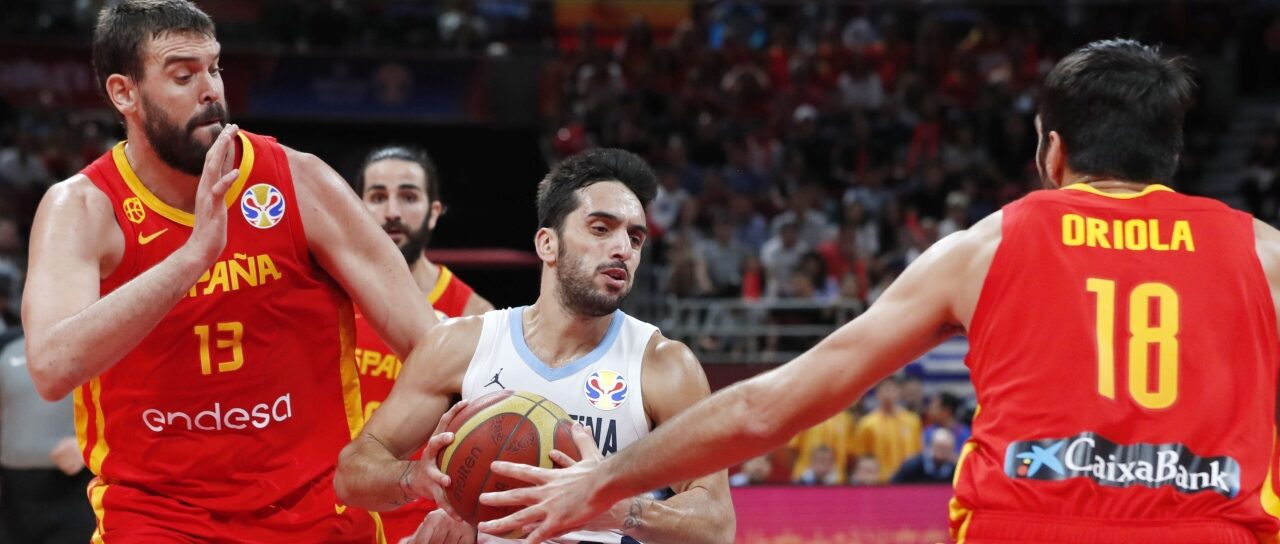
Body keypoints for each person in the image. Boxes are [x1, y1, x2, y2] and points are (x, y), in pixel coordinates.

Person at [477, 39, 1280, 544]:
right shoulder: (1263, 252)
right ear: (1172, 156)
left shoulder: (986, 246)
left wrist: (602, 481)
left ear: (1052, 152)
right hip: (1210, 525)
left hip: (1026, 525)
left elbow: (770, 406)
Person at [21, 1, 436, 541]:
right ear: (125, 93)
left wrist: (428, 484)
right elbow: (51, 367)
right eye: (183, 75)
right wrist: (192, 258)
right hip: (156, 519)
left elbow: (432, 349)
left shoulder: (299, 181)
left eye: (214, 68)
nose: (211, 89)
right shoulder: (81, 207)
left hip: (318, 513)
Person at [335, 148, 735, 544]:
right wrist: (416, 480)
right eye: (600, 228)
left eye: (635, 237)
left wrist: (615, 508)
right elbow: (353, 472)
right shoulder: (461, 344)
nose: (623, 249)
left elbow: (717, 524)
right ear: (547, 244)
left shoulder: (665, 365)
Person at [352, 144, 494, 542]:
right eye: (377, 197)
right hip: (331, 516)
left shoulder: (474, 313)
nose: (392, 211)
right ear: (356, 208)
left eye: (409, 197)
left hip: (428, 527)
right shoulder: (324, 299)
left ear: (433, 212)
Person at [0, 329, 95, 543]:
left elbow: (132, 407)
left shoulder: (101, 337)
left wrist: (87, 444)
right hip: (13, 494)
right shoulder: (7, 345)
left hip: (77, 485)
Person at [851, 377, 922, 483]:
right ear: (877, 394)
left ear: (899, 392)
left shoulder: (913, 421)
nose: (888, 394)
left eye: (892, 389)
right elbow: (861, 456)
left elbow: (917, 452)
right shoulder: (866, 424)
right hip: (877, 482)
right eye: (885, 390)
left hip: (907, 481)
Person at [890, 428, 957, 484]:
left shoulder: (955, 469)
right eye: (940, 447)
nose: (943, 451)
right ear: (931, 446)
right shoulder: (912, 466)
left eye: (947, 448)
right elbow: (894, 485)